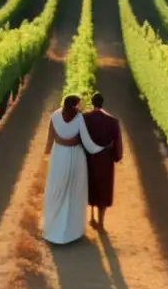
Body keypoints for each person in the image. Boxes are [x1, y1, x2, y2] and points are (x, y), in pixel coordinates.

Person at [41, 94, 111, 245]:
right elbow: (87, 142)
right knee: (73, 193)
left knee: (56, 188)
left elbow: (50, 139)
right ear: (75, 105)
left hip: (59, 156)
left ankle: (52, 228)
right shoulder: (79, 118)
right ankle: (71, 232)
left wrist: (48, 151)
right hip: (75, 157)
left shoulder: (55, 115)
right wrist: (102, 148)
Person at [83, 92, 122, 230]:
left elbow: (80, 139)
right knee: (103, 189)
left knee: (91, 187)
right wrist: (116, 157)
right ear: (102, 103)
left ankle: (92, 217)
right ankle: (101, 222)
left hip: (89, 158)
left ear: (92, 102)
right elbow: (117, 144)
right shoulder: (113, 121)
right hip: (105, 160)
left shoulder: (84, 118)